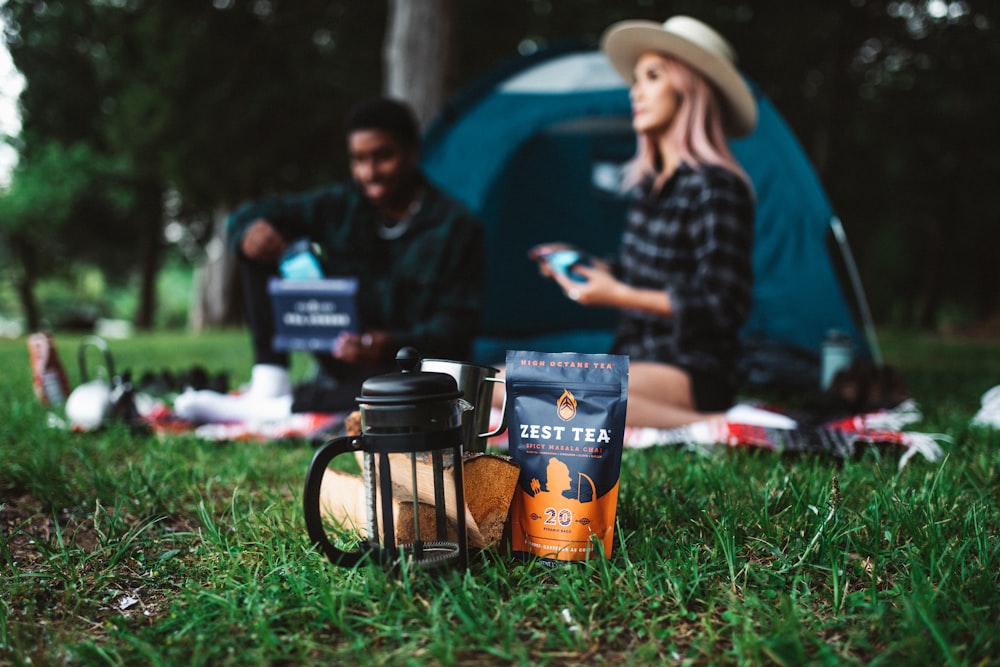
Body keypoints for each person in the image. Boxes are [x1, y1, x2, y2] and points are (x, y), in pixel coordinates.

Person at [176, 97, 485, 422]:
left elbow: (457, 328)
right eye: (359, 160)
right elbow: (251, 214)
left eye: (383, 156)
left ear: (411, 152)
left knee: (406, 396)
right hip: (342, 352)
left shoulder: (457, 226)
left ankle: (275, 409)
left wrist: (389, 344)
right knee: (260, 239)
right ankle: (270, 383)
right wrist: (247, 232)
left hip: (412, 365)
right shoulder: (342, 205)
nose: (370, 172)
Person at [529, 16, 759, 429]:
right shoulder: (649, 185)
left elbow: (723, 304)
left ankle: (714, 423)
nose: (635, 92)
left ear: (688, 88)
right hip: (639, 359)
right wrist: (586, 266)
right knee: (503, 381)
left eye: (652, 76)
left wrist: (616, 294)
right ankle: (687, 421)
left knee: (530, 387)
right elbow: (639, 273)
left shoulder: (718, 187)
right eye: (636, 79)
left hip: (693, 369)